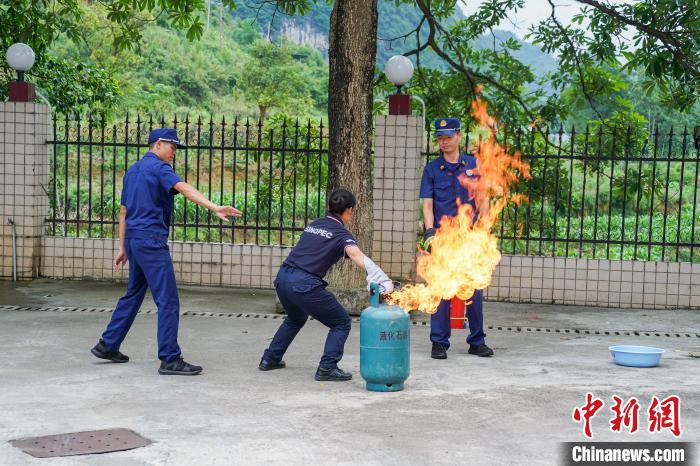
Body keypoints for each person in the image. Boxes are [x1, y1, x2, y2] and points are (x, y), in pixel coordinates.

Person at [90, 128, 241, 375]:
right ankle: (170, 358)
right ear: (158, 143)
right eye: (172, 147)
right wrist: (215, 207)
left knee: (133, 294)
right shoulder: (159, 168)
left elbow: (123, 212)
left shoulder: (133, 171)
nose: (174, 153)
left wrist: (123, 247)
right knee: (168, 300)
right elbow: (183, 188)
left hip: (135, 241)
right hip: (151, 242)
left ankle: (108, 344)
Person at [259, 188, 393, 381]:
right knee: (341, 322)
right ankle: (327, 367)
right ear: (349, 211)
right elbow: (356, 254)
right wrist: (382, 278)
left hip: (283, 278)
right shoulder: (341, 233)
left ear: (329, 207)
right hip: (304, 284)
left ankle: (270, 358)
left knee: (296, 318)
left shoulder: (314, 225)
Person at [419, 118, 494, 360]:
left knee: (474, 289)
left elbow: (483, 200)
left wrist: (484, 228)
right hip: (442, 238)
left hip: (469, 238)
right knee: (441, 289)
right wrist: (429, 232)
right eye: (440, 137)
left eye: (448, 137)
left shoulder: (473, 165)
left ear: (459, 136)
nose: (443, 141)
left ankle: (477, 341)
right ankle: (439, 343)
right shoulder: (432, 169)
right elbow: (427, 204)